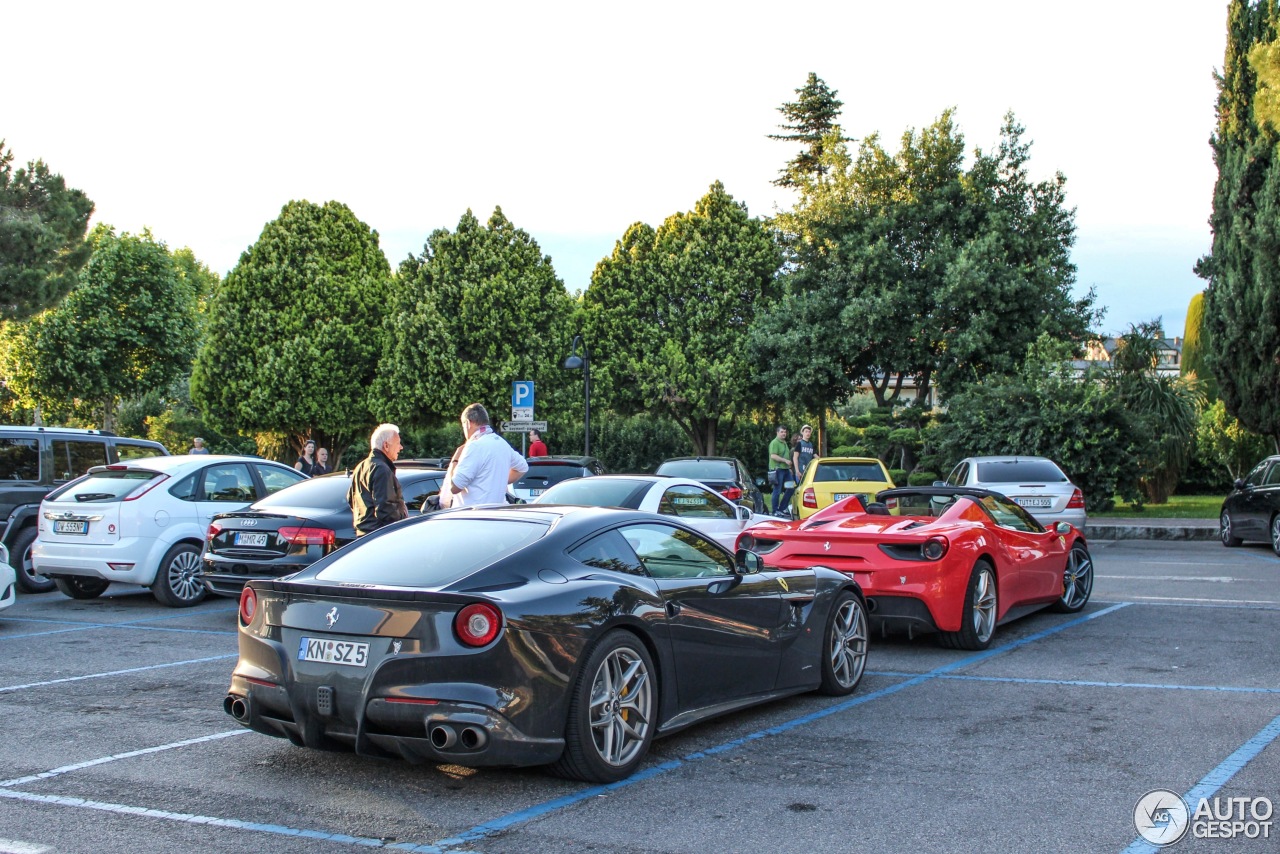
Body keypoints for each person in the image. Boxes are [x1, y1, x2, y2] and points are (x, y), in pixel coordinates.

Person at [450, 403, 528, 507]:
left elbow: (454, 488)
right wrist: (498, 481)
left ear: (468, 423)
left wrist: (455, 460)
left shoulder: (474, 446)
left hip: (470, 517)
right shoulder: (501, 443)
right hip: (495, 514)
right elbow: (523, 467)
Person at [347, 424, 408, 536]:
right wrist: (403, 516)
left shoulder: (361, 466)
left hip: (364, 535)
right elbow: (385, 510)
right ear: (386, 445)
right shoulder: (381, 469)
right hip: (379, 536)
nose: (401, 447)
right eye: (398, 443)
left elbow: (351, 499)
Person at [768, 425, 794, 517]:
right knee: (777, 490)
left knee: (791, 487)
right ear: (777, 432)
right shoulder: (775, 443)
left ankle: (782, 508)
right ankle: (775, 511)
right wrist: (785, 461)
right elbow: (773, 456)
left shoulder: (784, 443)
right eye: (782, 432)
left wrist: (789, 468)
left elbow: (786, 456)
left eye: (785, 432)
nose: (784, 433)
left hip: (786, 470)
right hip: (778, 469)